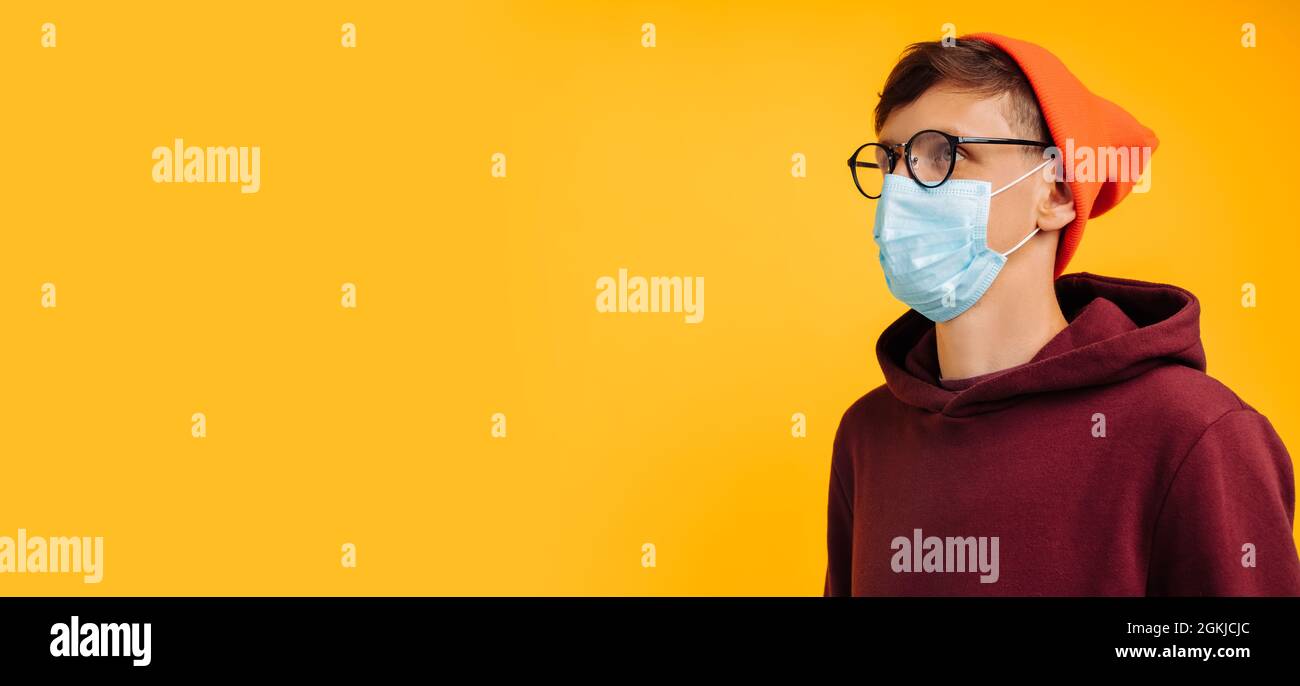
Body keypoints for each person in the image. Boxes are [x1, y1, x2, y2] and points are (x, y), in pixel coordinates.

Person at [826, 33, 1300, 595]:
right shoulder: (868, 434)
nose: (901, 188)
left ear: (1055, 190)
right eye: (890, 160)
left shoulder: (1194, 431)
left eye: (944, 153)